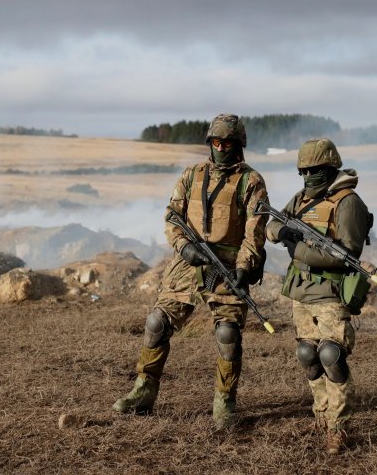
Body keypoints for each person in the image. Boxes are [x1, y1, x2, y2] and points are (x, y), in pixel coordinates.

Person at [113, 114, 269, 429]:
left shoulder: (251, 181)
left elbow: (255, 230)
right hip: (188, 262)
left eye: (227, 142)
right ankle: (143, 391)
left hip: (226, 267)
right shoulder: (192, 174)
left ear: (238, 145)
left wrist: (244, 266)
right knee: (156, 323)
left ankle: (224, 402)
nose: (221, 147)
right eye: (215, 141)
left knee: (228, 334)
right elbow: (172, 216)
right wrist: (184, 248)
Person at [266, 138, 371, 454]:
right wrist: (282, 233)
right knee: (307, 355)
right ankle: (321, 416)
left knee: (331, 355)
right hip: (302, 292)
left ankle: (338, 428)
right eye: (305, 170)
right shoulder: (300, 200)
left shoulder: (348, 202)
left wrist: (297, 248)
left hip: (331, 292)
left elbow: (346, 255)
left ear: (330, 167)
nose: (309, 175)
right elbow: (271, 224)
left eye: (316, 170)